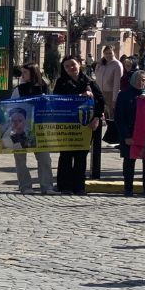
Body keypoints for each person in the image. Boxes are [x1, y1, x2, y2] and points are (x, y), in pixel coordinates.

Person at [52, 57, 104, 195]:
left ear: (79, 65)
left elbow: (100, 100)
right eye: (67, 66)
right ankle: (65, 186)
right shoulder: (61, 82)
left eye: (73, 65)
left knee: (81, 156)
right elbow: (57, 101)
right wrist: (79, 95)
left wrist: (97, 117)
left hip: (86, 125)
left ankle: (79, 187)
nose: (71, 68)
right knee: (66, 155)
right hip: (67, 124)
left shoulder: (89, 81)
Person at [9, 63, 54, 195]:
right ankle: (25, 186)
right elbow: (11, 106)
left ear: (33, 73)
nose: (22, 75)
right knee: (20, 158)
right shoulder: (19, 89)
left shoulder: (44, 87)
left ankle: (47, 186)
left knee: (44, 158)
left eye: (25, 72)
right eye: (22, 72)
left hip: (40, 128)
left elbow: (51, 105)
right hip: (21, 128)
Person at [117, 71, 145, 197]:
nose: (141, 82)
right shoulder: (124, 95)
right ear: (133, 80)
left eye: (144, 80)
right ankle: (128, 189)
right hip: (130, 134)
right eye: (139, 79)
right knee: (129, 162)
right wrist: (126, 136)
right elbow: (119, 118)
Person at [94, 45, 123, 121]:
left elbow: (117, 84)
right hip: (99, 92)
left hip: (110, 93)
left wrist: (114, 99)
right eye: (106, 53)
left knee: (111, 116)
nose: (108, 55)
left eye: (110, 53)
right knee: (100, 114)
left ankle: (111, 131)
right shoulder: (101, 63)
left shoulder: (117, 65)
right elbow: (96, 77)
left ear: (114, 53)